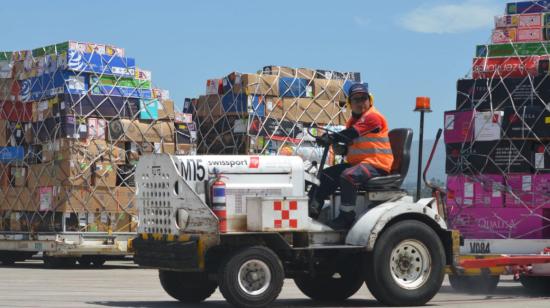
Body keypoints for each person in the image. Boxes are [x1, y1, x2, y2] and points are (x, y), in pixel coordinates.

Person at [310, 83, 394, 230]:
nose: (360, 102)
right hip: (361, 163)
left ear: (370, 101)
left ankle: (346, 216)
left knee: (348, 176)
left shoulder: (373, 117)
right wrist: (342, 150)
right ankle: (312, 211)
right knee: (326, 175)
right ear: (350, 104)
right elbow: (354, 143)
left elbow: (350, 134)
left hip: (377, 165)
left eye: (363, 98)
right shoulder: (353, 121)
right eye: (356, 99)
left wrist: (331, 137)